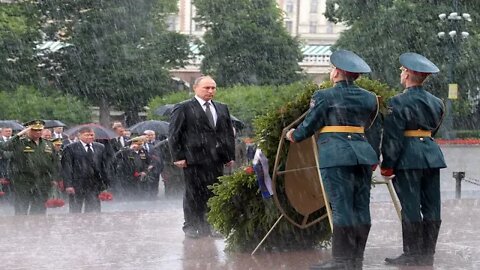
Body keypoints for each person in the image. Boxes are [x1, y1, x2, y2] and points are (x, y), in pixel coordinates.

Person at [285, 50, 381, 270]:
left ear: (337, 72)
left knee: (341, 206)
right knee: (361, 206)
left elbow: (310, 124)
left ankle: (341, 261)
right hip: (363, 155)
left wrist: (294, 135)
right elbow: (375, 129)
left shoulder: (325, 96)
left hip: (337, 154)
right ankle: (356, 259)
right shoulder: (370, 98)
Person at [381, 52, 446, 267]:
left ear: (408, 74)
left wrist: (387, 165)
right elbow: (434, 129)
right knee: (432, 206)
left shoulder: (397, 102)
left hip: (408, 158)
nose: (401, 74)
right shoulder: (437, 102)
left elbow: (393, 137)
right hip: (431, 155)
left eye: (402, 71)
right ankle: (427, 253)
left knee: (410, 206)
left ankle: (411, 254)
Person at [169, 75, 235, 238]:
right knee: (193, 193)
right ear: (195, 88)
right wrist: (178, 156)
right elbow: (174, 133)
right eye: (207, 88)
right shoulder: (183, 107)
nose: (210, 91)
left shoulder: (221, 108)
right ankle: (191, 225)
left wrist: (229, 156)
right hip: (193, 159)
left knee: (214, 193)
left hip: (216, 158)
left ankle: (212, 225)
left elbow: (227, 133)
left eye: (213, 88)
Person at [0, 120, 58, 215]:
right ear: (27, 130)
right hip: (23, 181)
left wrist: (54, 178)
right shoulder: (19, 143)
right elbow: (4, 146)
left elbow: (54, 162)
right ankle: (21, 229)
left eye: (40, 130)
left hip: (42, 181)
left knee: (39, 210)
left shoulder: (48, 144)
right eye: (34, 130)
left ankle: (37, 228)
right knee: (21, 208)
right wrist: (19, 134)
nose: (38, 132)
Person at [62, 126, 110, 213]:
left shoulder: (100, 147)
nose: (90, 137)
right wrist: (68, 184)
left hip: (94, 184)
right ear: (79, 135)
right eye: (87, 135)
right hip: (77, 183)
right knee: (75, 210)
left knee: (94, 210)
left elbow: (104, 166)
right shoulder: (70, 148)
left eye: (92, 135)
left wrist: (105, 184)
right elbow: (67, 167)